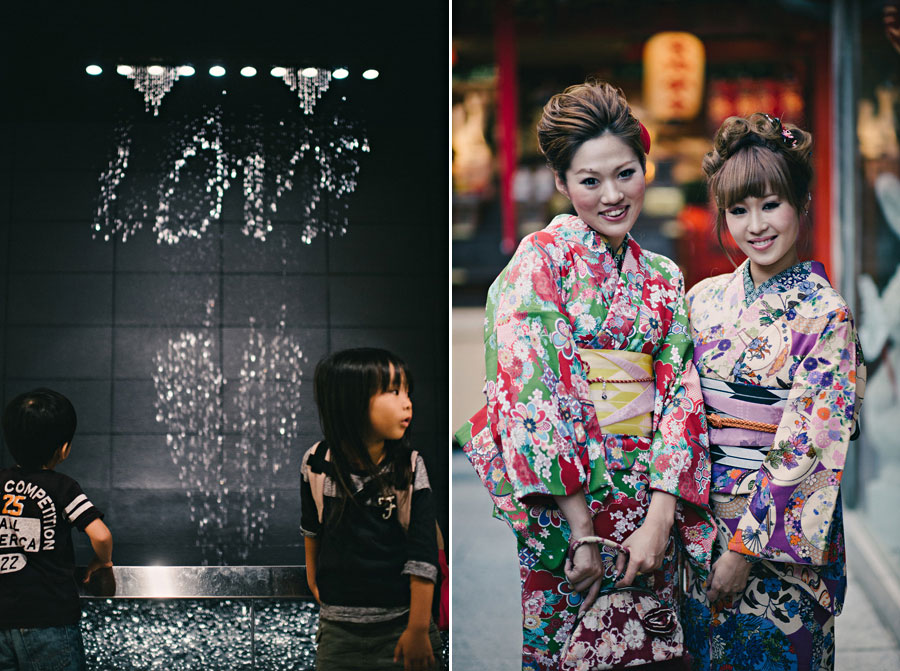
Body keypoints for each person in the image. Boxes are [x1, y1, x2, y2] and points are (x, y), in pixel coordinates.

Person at [455, 80, 714, 670]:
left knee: (656, 650)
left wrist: (659, 519)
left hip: (649, 500)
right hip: (569, 508)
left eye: (625, 174)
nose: (612, 195)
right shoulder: (541, 259)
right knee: (569, 648)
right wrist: (581, 529)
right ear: (562, 184)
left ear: (645, 166)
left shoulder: (665, 275)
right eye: (590, 181)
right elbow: (534, 391)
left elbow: (680, 396)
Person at [682, 113, 866, 671]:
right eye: (738, 210)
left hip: (779, 551)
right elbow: (680, 413)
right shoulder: (704, 300)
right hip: (701, 539)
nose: (755, 225)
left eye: (771, 205)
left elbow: (810, 445)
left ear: (802, 202)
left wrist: (743, 551)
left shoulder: (825, 314)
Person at [301, 348, 443, 671]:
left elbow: (422, 555)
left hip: (403, 625)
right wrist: (313, 576)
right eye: (394, 392)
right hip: (337, 633)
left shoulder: (408, 467)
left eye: (408, 391)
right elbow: (311, 526)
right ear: (351, 401)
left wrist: (419, 629)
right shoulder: (316, 462)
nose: (407, 403)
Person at [0, 388, 114, 671]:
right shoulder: (63, 487)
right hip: (49, 618)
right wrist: (102, 560)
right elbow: (101, 534)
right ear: (63, 449)